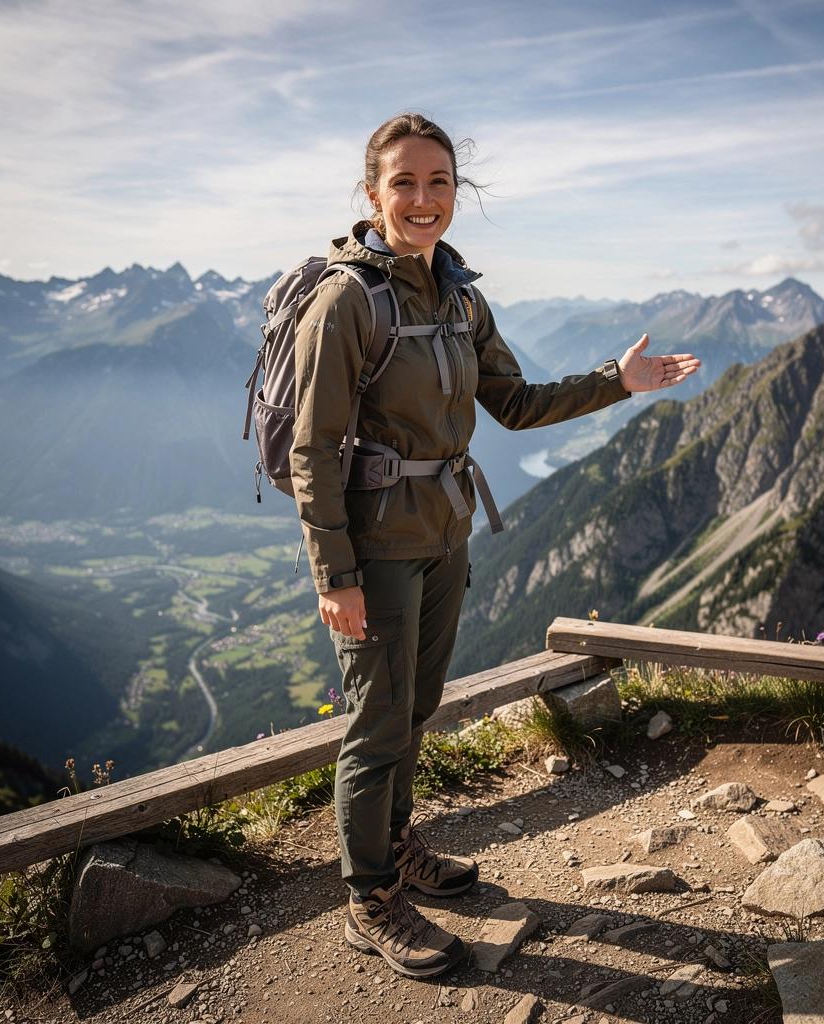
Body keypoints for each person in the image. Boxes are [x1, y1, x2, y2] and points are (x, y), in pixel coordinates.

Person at [290, 112, 700, 979]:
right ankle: (369, 896)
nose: (424, 198)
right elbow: (312, 449)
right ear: (373, 194)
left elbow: (512, 402)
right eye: (404, 181)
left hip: (445, 534)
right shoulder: (346, 300)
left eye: (439, 181)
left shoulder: (462, 298)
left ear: (455, 194)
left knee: (415, 707)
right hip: (375, 548)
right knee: (375, 723)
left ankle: (397, 849)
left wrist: (614, 385)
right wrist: (336, 572)